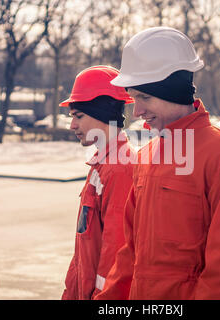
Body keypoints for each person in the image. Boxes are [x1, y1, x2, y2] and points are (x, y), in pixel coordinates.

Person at [94, 27, 220, 300]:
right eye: (135, 98)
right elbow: (130, 254)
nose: (137, 111)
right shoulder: (146, 156)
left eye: (145, 97)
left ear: (174, 91)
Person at [59, 65, 136, 300]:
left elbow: (116, 255)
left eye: (78, 116)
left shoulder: (120, 169)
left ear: (102, 114)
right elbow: (85, 249)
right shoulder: (104, 165)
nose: (72, 125)